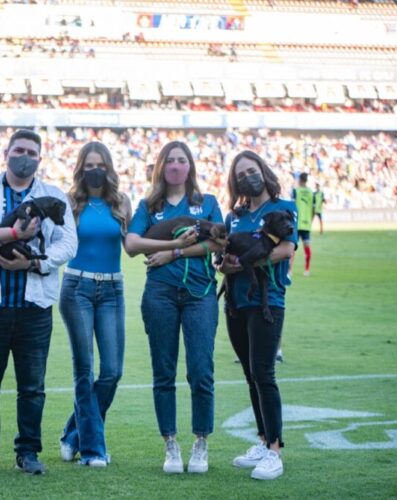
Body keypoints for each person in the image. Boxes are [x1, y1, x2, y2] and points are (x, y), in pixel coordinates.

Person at [0, 129, 77, 475]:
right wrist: (13, 235)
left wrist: (34, 262)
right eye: (18, 150)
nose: (24, 156)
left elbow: (68, 244)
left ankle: (28, 451)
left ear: (39, 159)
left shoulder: (53, 196)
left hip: (34, 308)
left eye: (31, 152)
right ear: (6, 153)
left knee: (32, 387)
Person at [125, 141, 226, 474]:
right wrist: (172, 243)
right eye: (170, 160)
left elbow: (217, 241)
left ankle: (201, 442)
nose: (176, 166)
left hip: (200, 294)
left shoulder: (207, 203)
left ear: (190, 167)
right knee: (163, 372)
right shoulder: (148, 205)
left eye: (182, 160)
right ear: (161, 166)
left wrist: (175, 254)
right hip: (160, 295)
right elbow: (132, 244)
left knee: (201, 370)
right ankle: (170, 444)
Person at [218, 150, 296, 481]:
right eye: (240, 175)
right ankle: (263, 441)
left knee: (264, 374)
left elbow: (285, 249)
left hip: (268, 301)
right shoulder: (232, 216)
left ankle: (275, 451)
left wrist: (247, 261)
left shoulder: (284, 208)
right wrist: (223, 264)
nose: (247, 177)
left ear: (263, 171)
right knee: (250, 375)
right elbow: (221, 257)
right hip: (235, 302)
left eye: (251, 170)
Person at [58, 142, 132, 468]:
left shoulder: (121, 203)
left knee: (112, 371)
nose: (95, 170)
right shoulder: (70, 202)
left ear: (109, 167)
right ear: (81, 168)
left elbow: (132, 244)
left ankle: (73, 434)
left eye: (100, 164)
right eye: (89, 164)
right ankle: (92, 450)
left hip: (113, 290)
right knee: (84, 370)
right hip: (77, 288)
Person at [290, 172, 314, 277]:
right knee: (307, 247)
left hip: (296, 223)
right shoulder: (311, 192)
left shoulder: (296, 191)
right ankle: (307, 270)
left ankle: (289, 271)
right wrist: (310, 220)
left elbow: (292, 206)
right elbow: (313, 209)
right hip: (307, 223)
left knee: (292, 247)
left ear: (299, 179)